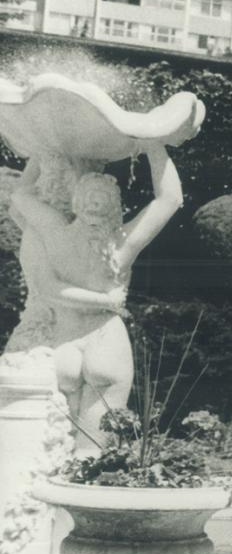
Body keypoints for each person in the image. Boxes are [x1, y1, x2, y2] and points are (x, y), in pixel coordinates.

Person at [8, 145, 184, 443]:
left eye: (97, 202)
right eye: (95, 201)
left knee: (51, 453)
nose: (94, 207)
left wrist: (40, 151)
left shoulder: (56, 233)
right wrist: (155, 144)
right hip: (107, 343)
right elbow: (170, 199)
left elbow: (20, 197)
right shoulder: (121, 243)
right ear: (115, 210)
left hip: (63, 344)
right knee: (90, 455)